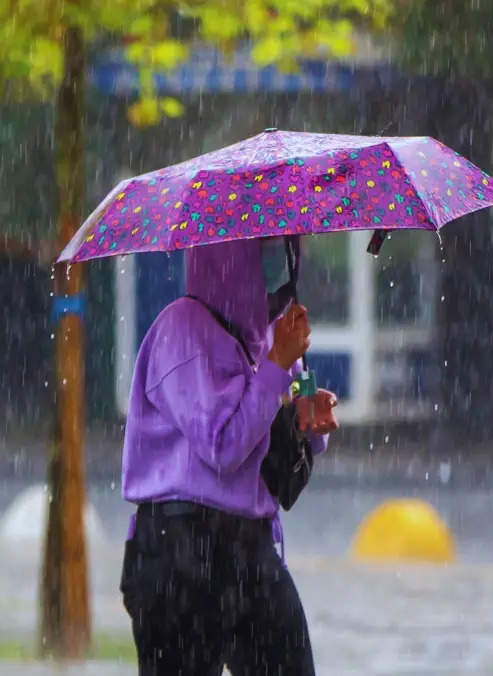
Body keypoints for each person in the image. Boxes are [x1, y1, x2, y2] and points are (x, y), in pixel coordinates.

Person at [119, 236, 339, 676]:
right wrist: (276, 365)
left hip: (250, 547)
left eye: (287, 248)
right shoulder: (180, 331)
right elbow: (223, 446)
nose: (282, 263)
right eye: (268, 249)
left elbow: (277, 431)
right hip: (181, 549)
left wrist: (307, 419)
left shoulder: (273, 333)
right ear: (233, 257)